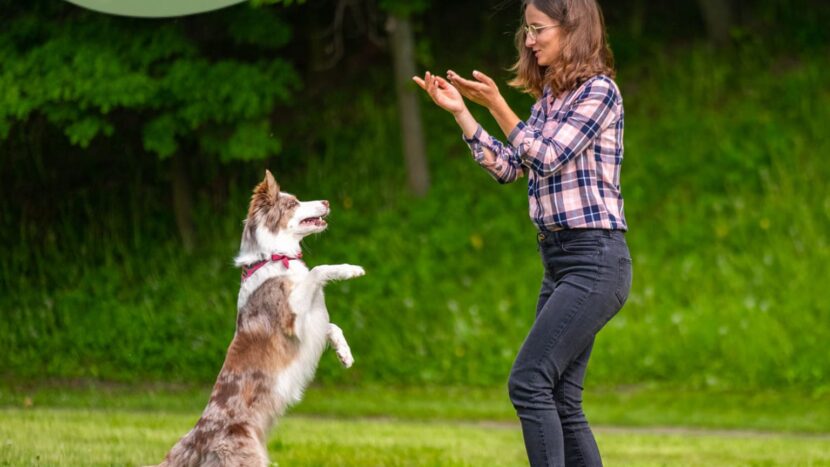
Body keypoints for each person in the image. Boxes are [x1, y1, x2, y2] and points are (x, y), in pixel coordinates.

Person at [414, 0, 632, 465]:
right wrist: (462, 113)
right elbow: (512, 166)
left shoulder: (600, 93)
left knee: (530, 381)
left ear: (572, 28)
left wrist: (496, 104)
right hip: (559, 262)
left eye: (538, 29)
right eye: (526, 29)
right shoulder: (548, 101)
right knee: (561, 398)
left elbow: (549, 156)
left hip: (595, 259)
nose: (529, 41)